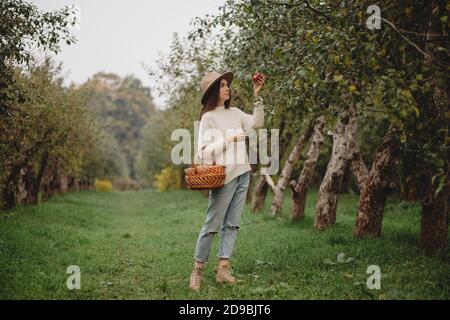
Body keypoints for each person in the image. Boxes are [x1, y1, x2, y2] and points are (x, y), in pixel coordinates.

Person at [189, 70, 266, 291]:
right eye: (222, 85)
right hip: (223, 176)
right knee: (212, 225)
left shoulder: (235, 112)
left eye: (226, 84)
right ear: (214, 91)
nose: (227, 88)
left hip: (242, 173)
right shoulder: (208, 117)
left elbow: (257, 122)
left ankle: (223, 269)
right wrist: (229, 139)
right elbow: (203, 152)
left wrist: (257, 95)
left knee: (232, 224)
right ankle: (198, 270)